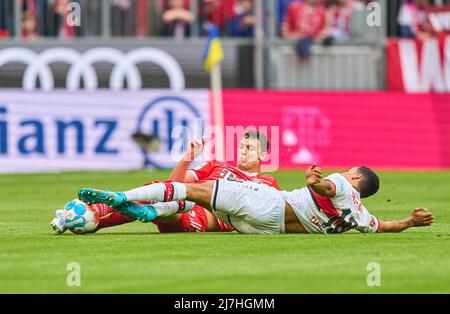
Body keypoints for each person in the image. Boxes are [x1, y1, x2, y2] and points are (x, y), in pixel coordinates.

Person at [78, 164, 434, 234]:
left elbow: (328, 188)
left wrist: (315, 181)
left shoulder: (343, 185)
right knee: (202, 202)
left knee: (194, 191)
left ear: (356, 177)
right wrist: (410, 222)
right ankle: (150, 211)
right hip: (265, 230)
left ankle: (120, 196)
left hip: (270, 203)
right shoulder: (361, 215)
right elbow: (384, 226)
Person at [52, 131, 280, 234]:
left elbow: (266, 216)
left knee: (177, 207)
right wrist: (187, 158)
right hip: (183, 201)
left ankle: (97, 215)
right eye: (241, 146)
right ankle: (90, 215)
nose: (242, 151)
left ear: (263, 156)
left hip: (205, 218)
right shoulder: (216, 166)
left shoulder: (267, 183)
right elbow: (173, 186)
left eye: (249, 148)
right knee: (162, 192)